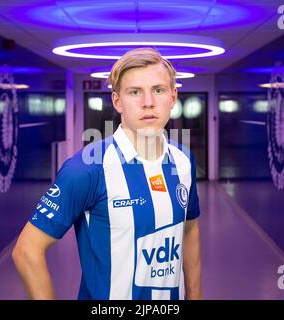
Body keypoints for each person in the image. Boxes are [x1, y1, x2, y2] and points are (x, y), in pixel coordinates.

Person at [12, 47, 203, 300]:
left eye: (158, 90)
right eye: (135, 92)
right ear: (117, 101)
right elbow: (27, 251)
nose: (148, 102)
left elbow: (189, 229)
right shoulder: (86, 169)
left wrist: (195, 295)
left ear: (173, 96)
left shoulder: (183, 160)